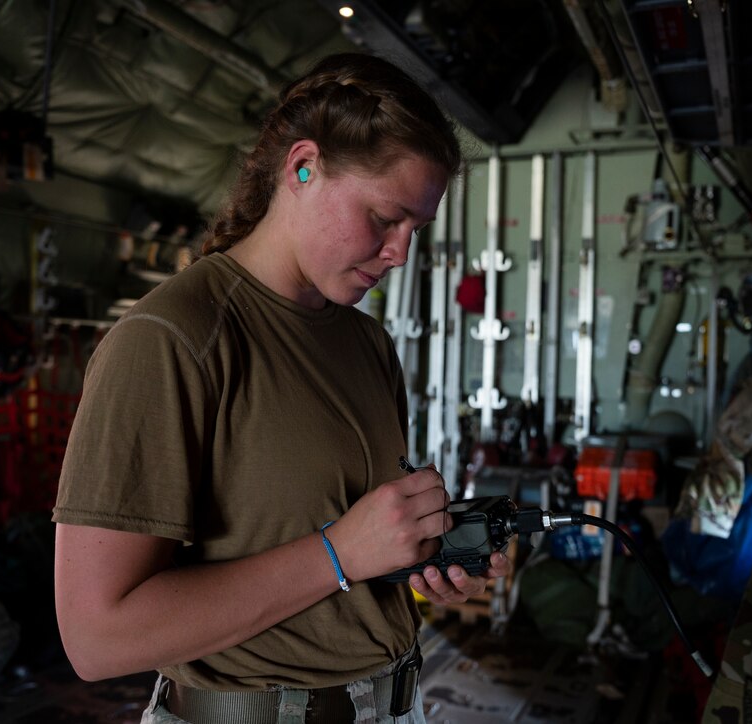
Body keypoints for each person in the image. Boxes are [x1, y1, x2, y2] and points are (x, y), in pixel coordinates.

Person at [51, 51, 512, 724]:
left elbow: (342, 542)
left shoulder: (366, 344)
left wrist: (414, 554)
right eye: (386, 217)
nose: (400, 253)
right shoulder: (172, 338)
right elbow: (96, 638)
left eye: (417, 229)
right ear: (303, 166)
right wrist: (339, 554)